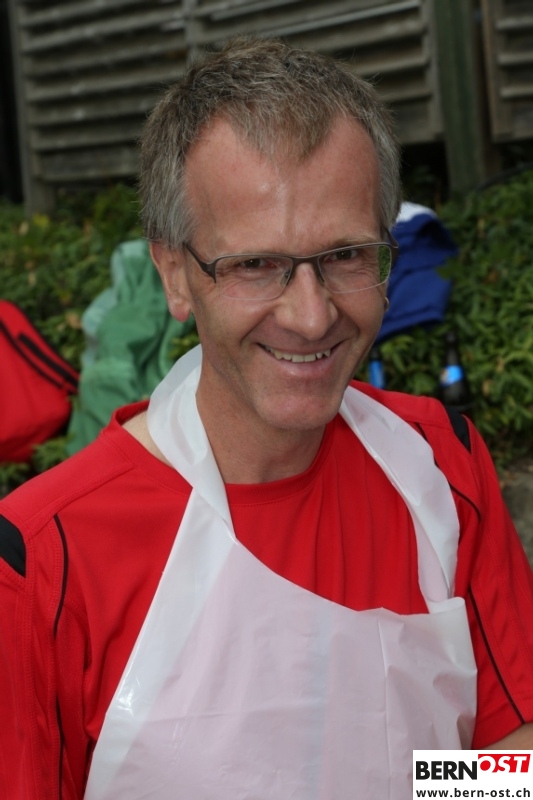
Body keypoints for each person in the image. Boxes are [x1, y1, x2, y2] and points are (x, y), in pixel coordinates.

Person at [1, 36, 532, 800]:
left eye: (346, 255)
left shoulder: (439, 463)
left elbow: (505, 755)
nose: (311, 316)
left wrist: (413, 784)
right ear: (174, 275)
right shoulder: (43, 557)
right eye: (255, 265)